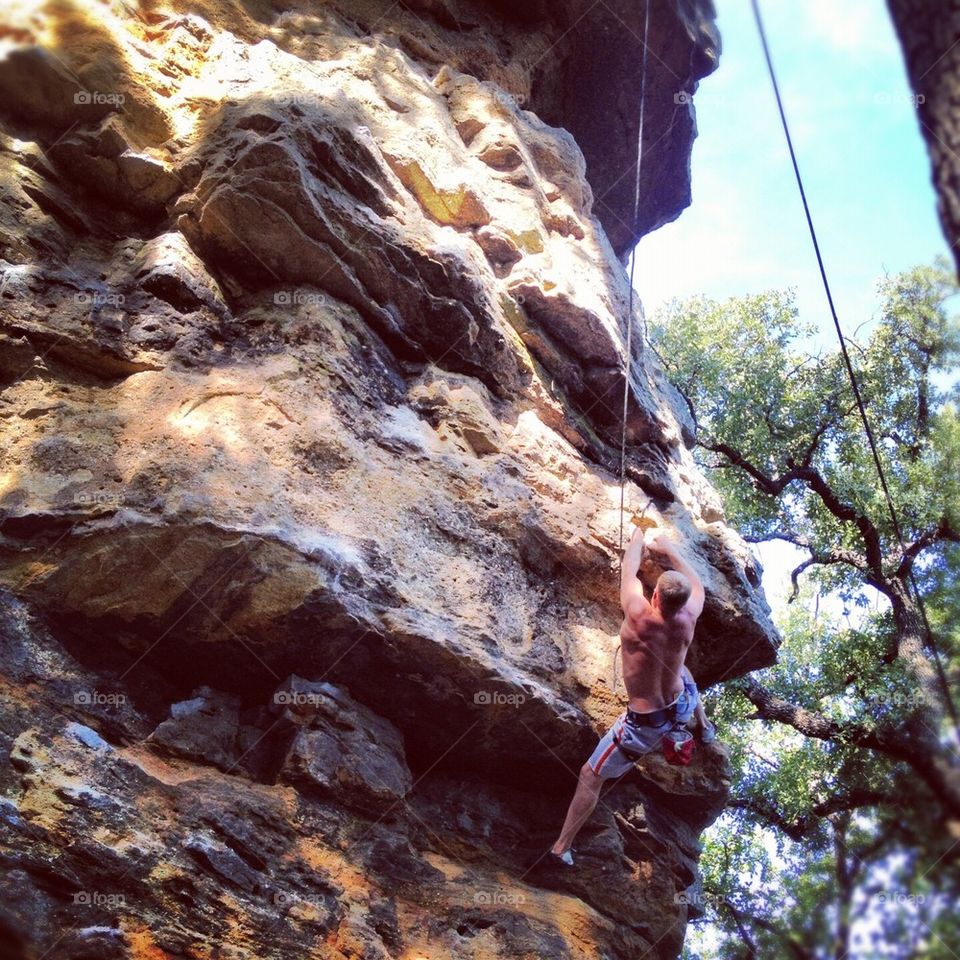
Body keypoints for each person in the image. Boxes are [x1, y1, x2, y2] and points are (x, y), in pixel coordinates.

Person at [545, 524, 715, 869]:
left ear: (655, 597)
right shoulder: (690, 616)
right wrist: (669, 548)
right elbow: (696, 583)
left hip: (643, 728)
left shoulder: (638, 613)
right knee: (683, 672)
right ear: (683, 606)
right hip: (679, 708)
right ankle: (703, 724)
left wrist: (637, 537)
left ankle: (561, 848)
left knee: (591, 775)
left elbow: (629, 568)